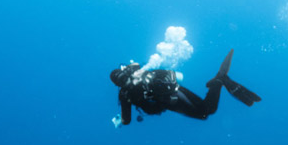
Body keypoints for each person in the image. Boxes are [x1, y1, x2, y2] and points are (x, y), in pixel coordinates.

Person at [110, 49, 261, 126]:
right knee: (206, 111)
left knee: (205, 113)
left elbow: (127, 120)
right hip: (175, 91)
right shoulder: (135, 78)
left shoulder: (125, 94)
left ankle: (219, 80)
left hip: (172, 99)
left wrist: (120, 121)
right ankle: (218, 80)